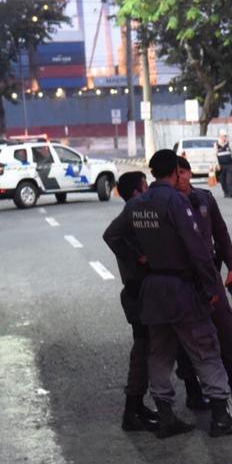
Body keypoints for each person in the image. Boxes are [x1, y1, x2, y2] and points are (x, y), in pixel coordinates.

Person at [128, 149, 232, 438]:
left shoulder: (139, 203)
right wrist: (211, 287)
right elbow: (198, 249)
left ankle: (166, 416)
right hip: (183, 286)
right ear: (174, 171)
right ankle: (220, 416)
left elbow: (113, 235)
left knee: (160, 355)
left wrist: (139, 257)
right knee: (206, 349)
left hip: (154, 289)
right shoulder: (175, 201)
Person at [173, 156, 232, 408]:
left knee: (226, 328)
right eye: (175, 173)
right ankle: (193, 389)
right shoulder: (168, 203)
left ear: (190, 173)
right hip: (183, 278)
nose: (180, 177)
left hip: (210, 275)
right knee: (187, 336)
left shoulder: (205, 199)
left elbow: (222, 236)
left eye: (183, 172)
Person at [101, 171, 160, 432]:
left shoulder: (139, 213)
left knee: (150, 350)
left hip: (145, 291)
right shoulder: (132, 213)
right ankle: (133, 410)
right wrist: (139, 257)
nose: (149, 189)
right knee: (143, 351)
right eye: (145, 185)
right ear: (137, 192)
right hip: (138, 292)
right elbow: (110, 236)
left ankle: (138, 407)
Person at [215, 131, 232, 198]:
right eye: (223, 136)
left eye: (225, 136)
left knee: (230, 179)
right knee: (222, 180)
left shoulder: (229, 144)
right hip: (221, 165)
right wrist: (217, 164)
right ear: (220, 137)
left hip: (229, 164)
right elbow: (214, 155)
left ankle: (231, 192)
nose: (225, 138)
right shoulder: (216, 144)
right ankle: (226, 192)